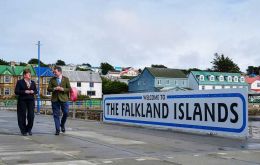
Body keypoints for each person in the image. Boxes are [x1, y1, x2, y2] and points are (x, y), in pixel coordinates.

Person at [47, 66, 71, 135]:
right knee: (56, 115)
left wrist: (62, 89)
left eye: (55, 72)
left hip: (64, 99)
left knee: (66, 113)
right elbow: (48, 89)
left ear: (60, 72)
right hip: (55, 100)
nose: (54, 73)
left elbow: (69, 89)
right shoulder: (52, 79)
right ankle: (57, 130)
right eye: (54, 72)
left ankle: (62, 125)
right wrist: (54, 88)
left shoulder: (66, 79)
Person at [15, 69, 37, 136]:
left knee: (31, 115)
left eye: (30, 73)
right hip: (22, 100)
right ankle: (23, 130)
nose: (30, 75)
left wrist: (33, 91)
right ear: (24, 75)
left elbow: (36, 91)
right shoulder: (19, 82)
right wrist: (25, 91)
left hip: (30, 100)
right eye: (28, 74)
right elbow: (16, 91)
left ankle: (29, 129)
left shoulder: (33, 82)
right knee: (22, 116)